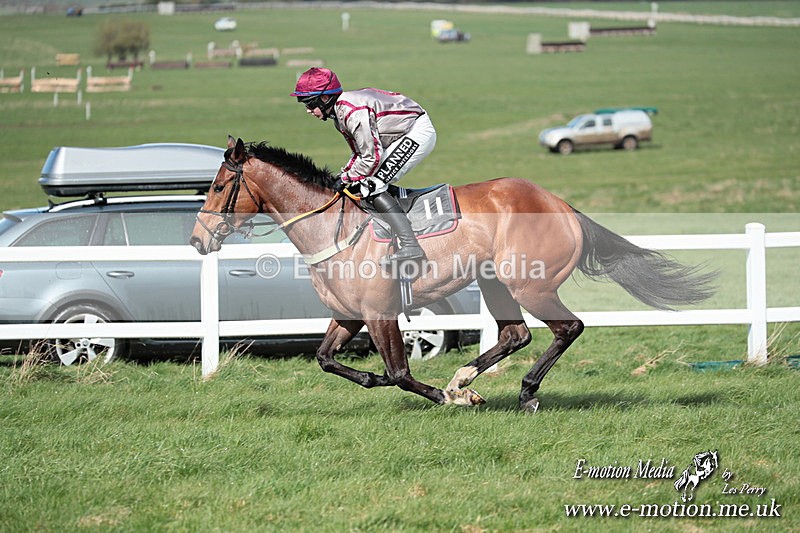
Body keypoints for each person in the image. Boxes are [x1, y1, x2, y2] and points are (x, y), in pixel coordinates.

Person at [290, 67, 436, 264]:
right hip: (397, 134)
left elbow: (371, 158)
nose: (308, 110)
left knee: (372, 186)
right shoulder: (339, 114)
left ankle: (411, 246)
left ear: (325, 99)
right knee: (363, 182)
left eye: (309, 103)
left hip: (416, 131)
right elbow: (358, 153)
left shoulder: (352, 112)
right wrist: (342, 175)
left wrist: (346, 178)